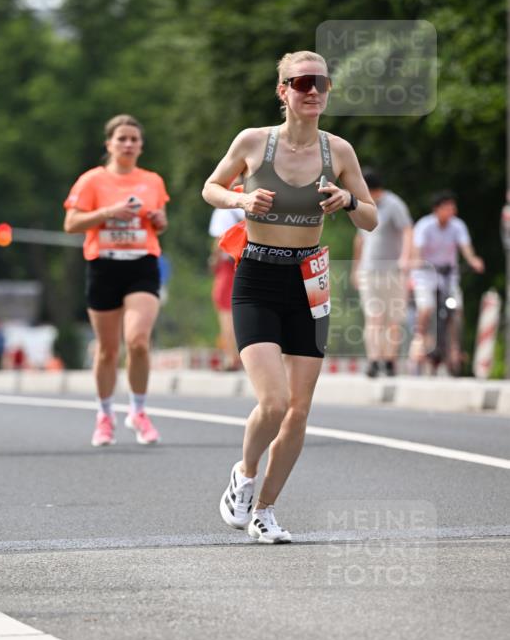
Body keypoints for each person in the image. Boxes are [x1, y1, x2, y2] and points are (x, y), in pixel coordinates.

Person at [202, 50, 377, 544]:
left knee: (299, 410)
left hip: (309, 281)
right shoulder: (254, 142)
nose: (313, 91)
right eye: (301, 82)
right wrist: (240, 199)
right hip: (257, 275)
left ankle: (266, 511)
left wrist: (347, 201)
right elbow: (211, 187)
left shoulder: (338, 151)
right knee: (274, 402)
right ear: (283, 92)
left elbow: (371, 217)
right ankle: (245, 474)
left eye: (320, 82)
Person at [64, 114, 169, 447]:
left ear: (141, 146)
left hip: (142, 264)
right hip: (104, 266)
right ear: (108, 144)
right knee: (108, 350)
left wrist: (157, 219)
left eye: (134, 139)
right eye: (121, 138)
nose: (128, 144)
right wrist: (108, 212)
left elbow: (161, 222)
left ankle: (138, 411)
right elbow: (72, 223)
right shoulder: (92, 181)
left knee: (137, 341)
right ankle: (104, 415)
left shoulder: (152, 180)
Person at [411, 190, 484, 373]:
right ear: (437, 209)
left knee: (456, 310)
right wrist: (418, 262)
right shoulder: (425, 226)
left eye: (453, 207)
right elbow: (417, 250)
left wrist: (473, 260)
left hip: (449, 276)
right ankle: (420, 340)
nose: (452, 211)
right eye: (447, 207)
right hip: (426, 275)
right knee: (426, 308)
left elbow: (466, 248)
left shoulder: (458, 226)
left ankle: (454, 350)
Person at [350, 168, 413, 377]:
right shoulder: (363, 206)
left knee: (393, 319)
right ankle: (374, 360)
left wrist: (405, 258)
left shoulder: (394, 204)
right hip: (369, 271)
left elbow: (407, 230)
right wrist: (355, 268)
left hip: (392, 271)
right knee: (374, 316)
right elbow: (359, 239)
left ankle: (389, 360)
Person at [208, 206, 245, 370]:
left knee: (226, 311)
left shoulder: (224, 210)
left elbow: (220, 241)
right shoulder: (258, 201)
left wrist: (213, 261)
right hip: (253, 262)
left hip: (229, 265)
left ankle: (232, 357)